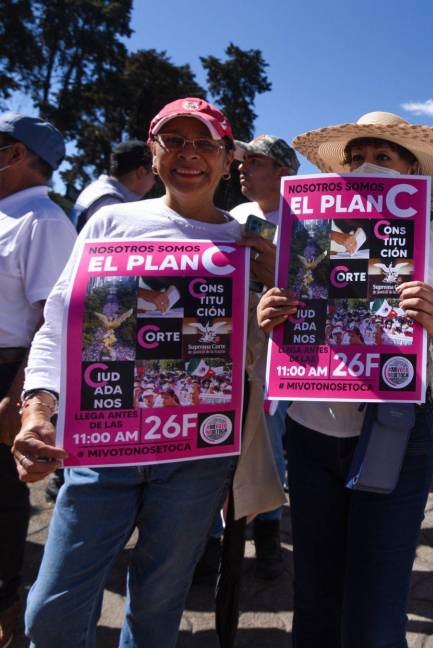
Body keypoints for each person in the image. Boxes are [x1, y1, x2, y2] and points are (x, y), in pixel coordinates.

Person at [11, 97, 281, 647]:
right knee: (50, 614)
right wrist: (39, 408)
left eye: (205, 143)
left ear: (228, 157)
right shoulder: (113, 221)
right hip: (101, 449)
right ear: (153, 153)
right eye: (174, 141)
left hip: (195, 458)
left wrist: (270, 298)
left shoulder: (247, 244)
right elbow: (61, 321)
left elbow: (259, 364)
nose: (190, 155)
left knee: (157, 610)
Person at [257, 110, 433, 647]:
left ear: (414, 171)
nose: (368, 165)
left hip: (396, 432)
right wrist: (271, 315)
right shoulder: (311, 234)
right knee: (315, 592)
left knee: (375, 605)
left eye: (382, 156)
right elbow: (293, 325)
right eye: (358, 157)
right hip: (310, 430)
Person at [0, 112, 75, 648]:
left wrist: (19, 397)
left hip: (8, 372)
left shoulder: (43, 221)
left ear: (16, 154)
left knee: (3, 503)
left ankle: (7, 615)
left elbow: (54, 321)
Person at [228, 133, 300, 580]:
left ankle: (269, 534)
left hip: (281, 343)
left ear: (283, 171)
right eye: (241, 161)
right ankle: (219, 535)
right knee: (228, 432)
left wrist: (277, 270)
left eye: (253, 161)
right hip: (236, 338)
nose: (241, 168)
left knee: (269, 434)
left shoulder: (305, 223)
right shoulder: (235, 217)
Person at [71, 140, 155, 231]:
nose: (154, 182)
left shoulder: (99, 190)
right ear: (141, 172)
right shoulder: (111, 205)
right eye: (155, 173)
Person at [229, 134, 300, 228]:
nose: (241, 167)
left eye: (254, 161)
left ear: (282, 173)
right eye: (244, 160)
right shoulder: (237, 214)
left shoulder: (302, 224)